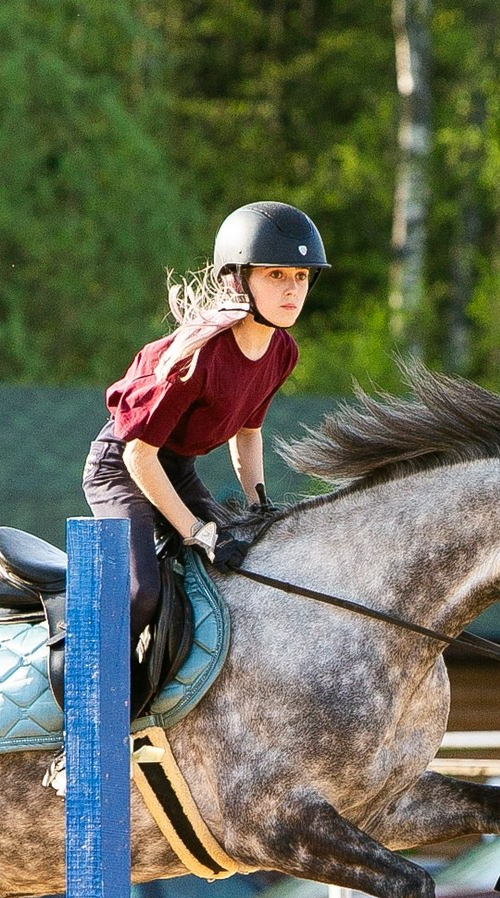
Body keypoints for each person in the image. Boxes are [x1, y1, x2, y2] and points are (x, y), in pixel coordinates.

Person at [87, 201, 327, 696]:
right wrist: (198, 531)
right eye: (276, 273)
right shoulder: (197, 355)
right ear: (238, 280)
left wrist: (260, 505)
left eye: (301, 276)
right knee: (140, 592)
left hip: (175, 469)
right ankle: (85, 716)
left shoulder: (282, 351)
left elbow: (248, 433)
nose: (291, 289)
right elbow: (138, 456)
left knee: (245, 565)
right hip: (122, 470)